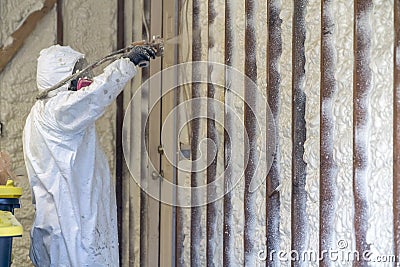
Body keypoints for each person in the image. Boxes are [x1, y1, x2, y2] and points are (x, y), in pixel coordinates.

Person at [23, 44, 156, 266]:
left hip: (62, 227)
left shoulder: (40, 114)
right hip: (71, 230)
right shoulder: (58, 112)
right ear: (61, 78)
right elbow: (94, 96)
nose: (84, 79)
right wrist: (127, 64)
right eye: (78, 73)